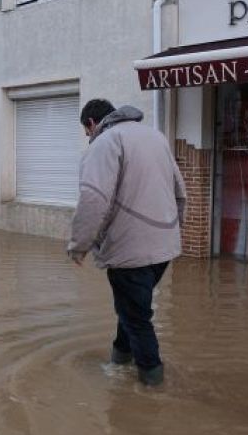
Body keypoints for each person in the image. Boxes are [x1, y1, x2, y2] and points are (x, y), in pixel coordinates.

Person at [67, 99, 186, 386]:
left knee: (136, 317)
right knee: (131, 308)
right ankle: (119, 360)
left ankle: (152, 385)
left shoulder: (105, 142)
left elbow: (94, 199)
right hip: (164, 247)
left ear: (92, 124)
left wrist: (78, 245)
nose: (88, 137)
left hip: (130, 249)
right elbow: (180, 192)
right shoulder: (155, 137)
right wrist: (172, 232)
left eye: (86, 131)